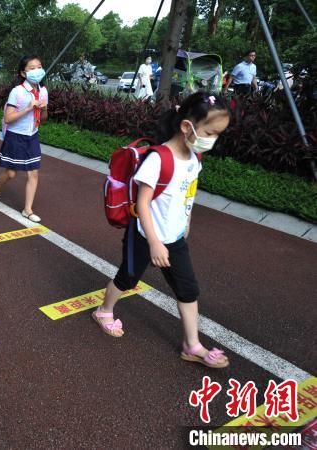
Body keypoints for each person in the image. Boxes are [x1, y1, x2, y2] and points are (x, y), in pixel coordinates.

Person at [93, 92, 231, 369]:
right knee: (127, 278)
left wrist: (187, 219)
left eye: (217, 134)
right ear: (186, 126)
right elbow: (143, 204)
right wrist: (155, 242)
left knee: (188, 289)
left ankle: (192, 345)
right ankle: (103, 311)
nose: (212, 139)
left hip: (175, 236)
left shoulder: (195, 158)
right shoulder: (159, 159)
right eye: (210, 132)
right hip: (146, 236)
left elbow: (188, 192)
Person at [0, 55, 48, 223]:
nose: (37, 71)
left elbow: (43, 118)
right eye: (32, 68)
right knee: (11, 172)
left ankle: (27, 210)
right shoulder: (18, 92)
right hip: (15, 137)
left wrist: (43, 109)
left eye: (39, 67)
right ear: (23, 73)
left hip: (32, 136)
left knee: (33, 173)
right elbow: (8, 118)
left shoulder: (43, 91)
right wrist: (29, 108)